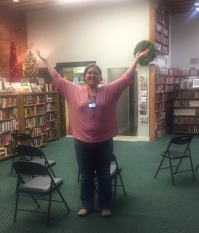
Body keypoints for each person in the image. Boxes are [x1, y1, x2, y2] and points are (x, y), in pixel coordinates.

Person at [36, 48, 149, 218]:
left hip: (104, 140)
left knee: (104, 175)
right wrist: (45, 61)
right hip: (82, 141)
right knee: (86, 175)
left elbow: (126, 77)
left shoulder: (109, 90)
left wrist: (136, 59)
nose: (92, 75)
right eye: (89, 73)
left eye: (95, 73)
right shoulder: (73, 90)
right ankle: (87, 205)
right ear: (84, 77)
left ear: (100, 77)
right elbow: (56, 78)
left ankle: (105, 205)